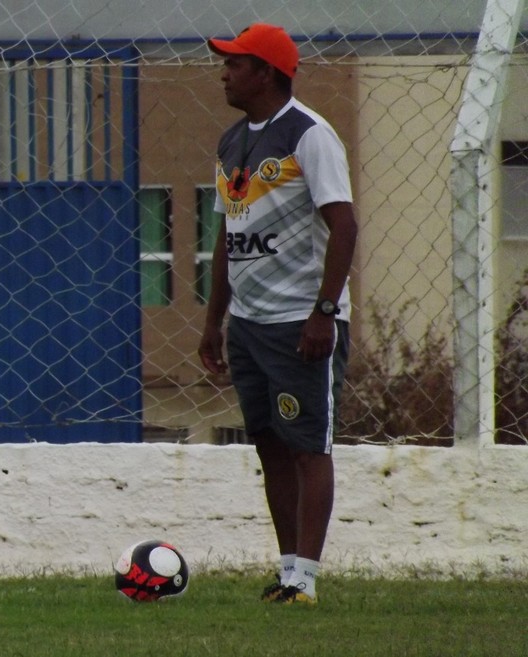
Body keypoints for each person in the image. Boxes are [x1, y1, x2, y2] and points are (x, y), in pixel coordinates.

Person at [198, 23, 358, 605]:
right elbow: (226, 233)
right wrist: (215, 319)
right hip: (249, 324)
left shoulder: (310, 135)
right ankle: (288, 570)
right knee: (268, 441)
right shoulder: (231, 141)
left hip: (300, 323)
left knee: (308, 444)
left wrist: (323, 312)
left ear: (265, 71)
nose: (224, 72)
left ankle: (307, 581)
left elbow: (344, 225)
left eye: (235, 64)